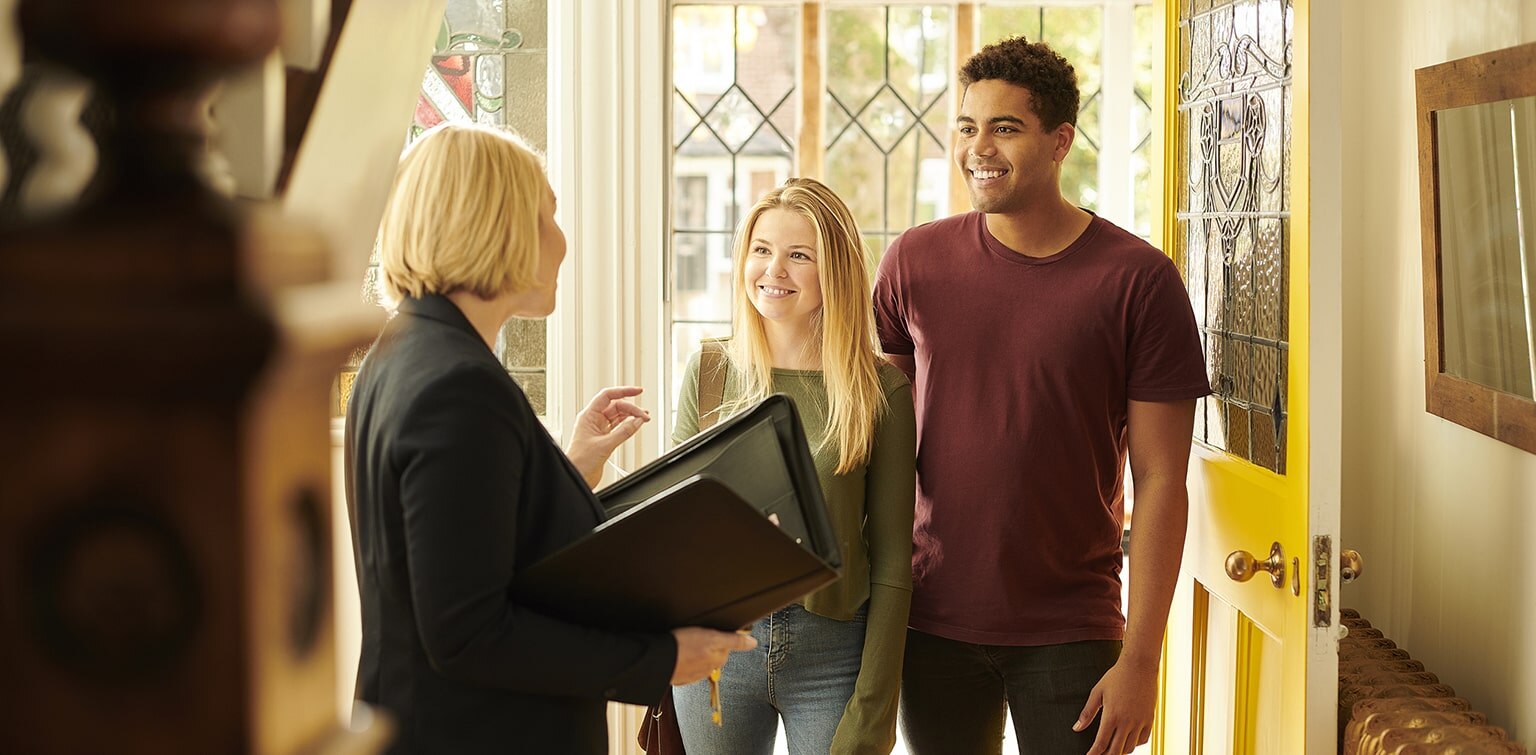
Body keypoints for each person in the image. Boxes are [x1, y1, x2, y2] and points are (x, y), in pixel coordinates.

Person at [344, 122, 755, 754]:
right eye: (549, 215)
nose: (562, 242)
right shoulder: (459, 387)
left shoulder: (404, 350)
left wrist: (567, 469)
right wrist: (660, 658)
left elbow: (466, 548)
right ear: (496, 224)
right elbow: (468, 633)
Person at [872, 37, 1212, 755]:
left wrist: (1143, 660)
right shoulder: (914, 261)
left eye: (1005, 127)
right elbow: (877, 441)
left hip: (1073, 628)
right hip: (930, 620)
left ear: (1060, 141)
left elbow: (1159, 480)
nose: (978, 147)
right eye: (967, 126)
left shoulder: (1139, 281)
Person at [670, 178, 917, 755]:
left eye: (798, 255)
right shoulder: (709, 371)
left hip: (834, 651)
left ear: (834, 272)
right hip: (718, 648)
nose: (773, 270)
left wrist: (876, 704)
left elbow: (893, 560)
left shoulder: (880, 390)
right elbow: (674, 531)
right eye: (761, 250)